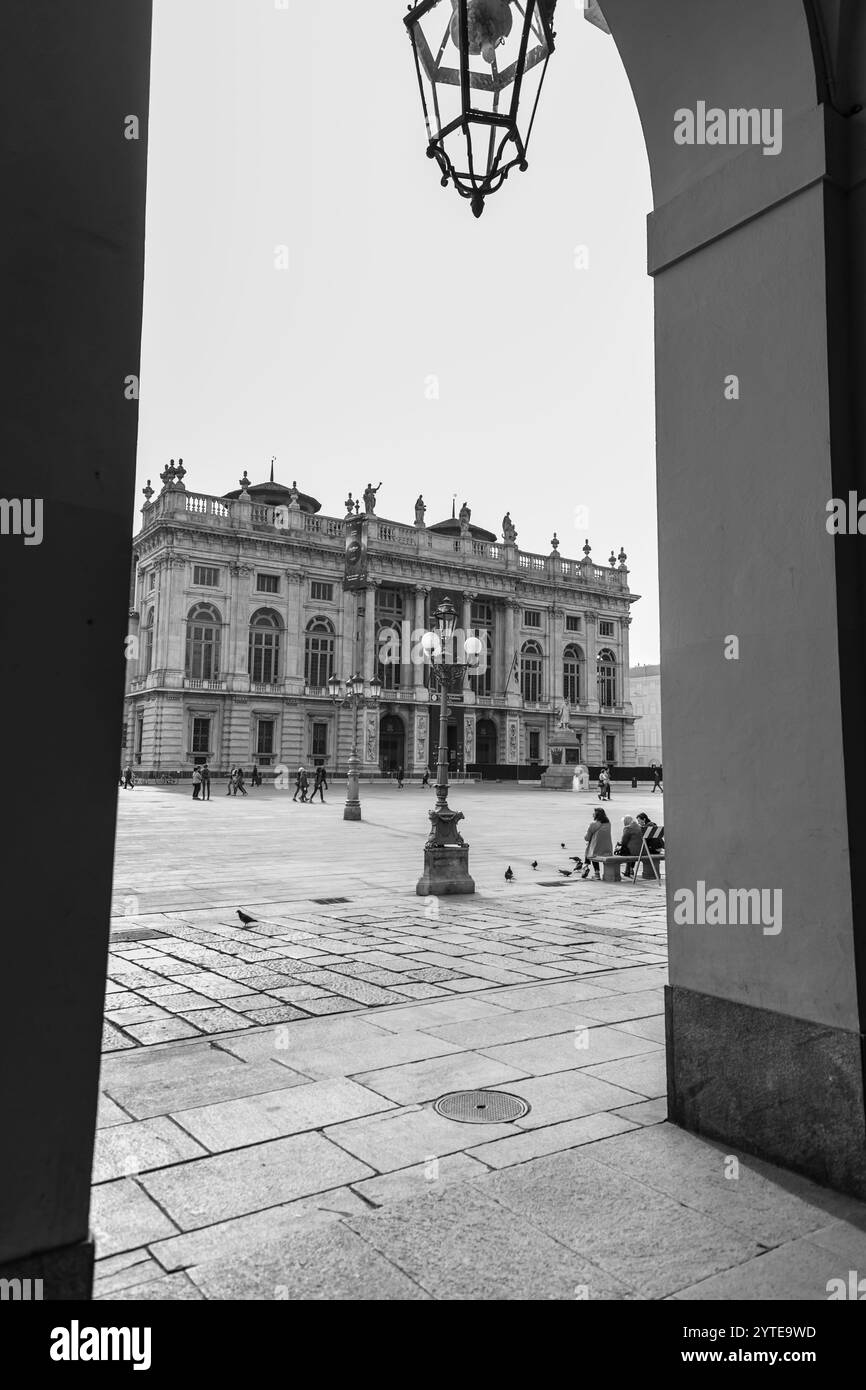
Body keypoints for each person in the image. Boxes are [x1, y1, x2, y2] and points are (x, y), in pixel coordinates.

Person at [582, 808, 612, 879]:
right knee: (591, 847)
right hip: (608, 849)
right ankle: (586, 865)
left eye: (594, 813)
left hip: (597, 850)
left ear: (596, 815)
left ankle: (595, 872)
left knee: (590, 851)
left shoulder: (593, 824)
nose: (592, 814)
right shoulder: (608, 823)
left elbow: (586, 838)